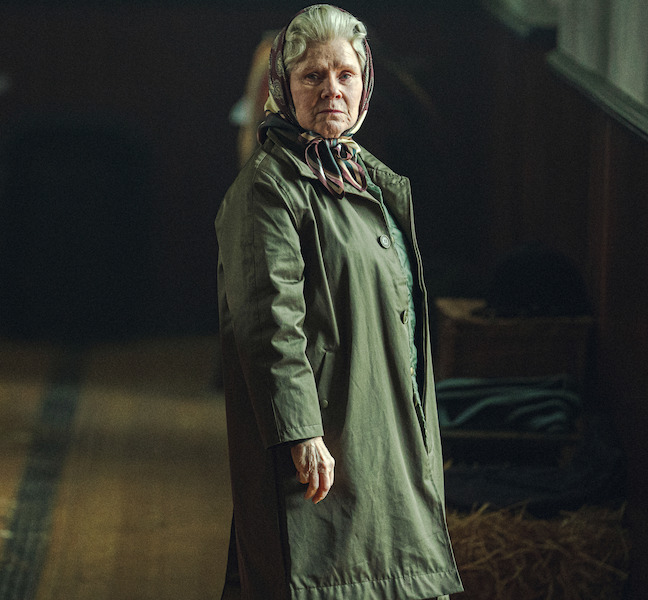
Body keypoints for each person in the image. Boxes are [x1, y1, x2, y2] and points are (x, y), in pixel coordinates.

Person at [215, 5, 463, 599]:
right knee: (316, 579)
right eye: (312, 76)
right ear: (283, 87)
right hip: (326, 441)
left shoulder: (368, 181)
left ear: (365, 83)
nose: (332, 89)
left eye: (345, 75)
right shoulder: (269, 190)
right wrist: (301, 430)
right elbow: (268, 321)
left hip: (385, 434)